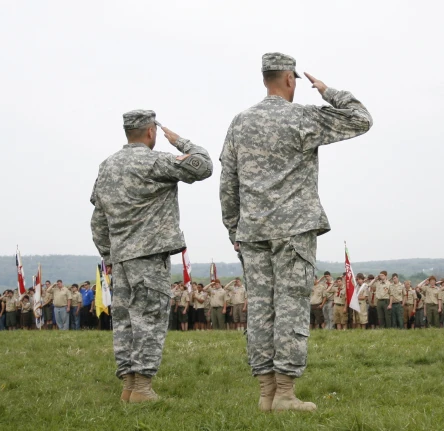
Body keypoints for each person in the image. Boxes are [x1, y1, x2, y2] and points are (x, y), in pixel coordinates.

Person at [219, 52, 371, 412]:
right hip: (293, 229)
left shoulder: (240, 122)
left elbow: (228, 182)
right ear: (289, 79)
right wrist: (327, 90)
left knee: (260, 309)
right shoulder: (301, 117)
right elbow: (362, 119)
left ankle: (265, 394)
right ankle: (285, 394)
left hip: (252, 230)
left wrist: (233, 229)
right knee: (289, 306)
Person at [91, 108, 212, 403]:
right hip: (149, 256)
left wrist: (111, 253)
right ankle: (142, 389)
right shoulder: (156, 161)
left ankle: (129, 387)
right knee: (149, 320)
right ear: (150, 132)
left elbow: (98, 219)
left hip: (121, 259)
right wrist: (179, 141)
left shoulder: (107, 166)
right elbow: (203, 166)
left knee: (125, 323)